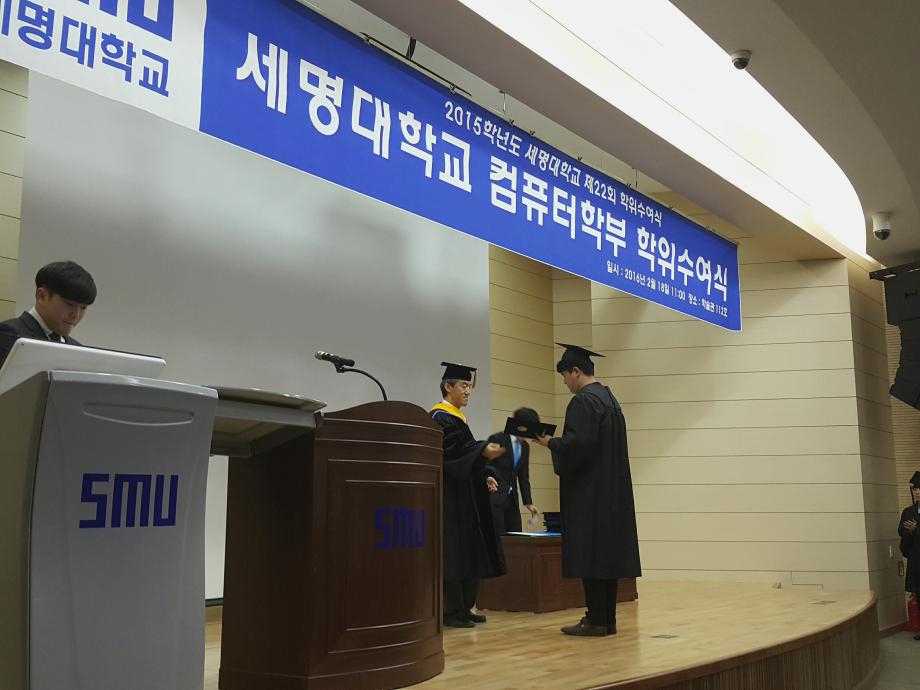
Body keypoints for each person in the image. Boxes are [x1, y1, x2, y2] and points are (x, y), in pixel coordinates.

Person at [535, 343, 641, 637]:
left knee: (591, 555)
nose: (565, 383)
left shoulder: (583, 402)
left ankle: (595, 620)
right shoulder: (610, 400)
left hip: (590, 494)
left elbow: (577, 446)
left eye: (565, 376)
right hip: (613, 493)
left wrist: (550, 443)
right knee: (606, 557)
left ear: (576, 371)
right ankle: (607, 620)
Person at [431, 361, 506, 628]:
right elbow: (452, 453)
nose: (468, 391)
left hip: (465, 495)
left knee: (468, 548)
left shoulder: (457, 418)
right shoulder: (440, 417)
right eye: (463, 385)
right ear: (447, 387)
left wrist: (484, 473)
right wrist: (482, 450)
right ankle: (451, 611)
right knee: (454, 550)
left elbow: (465, 453)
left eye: (469, 386)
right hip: (450, 498)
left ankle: (464, 607)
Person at [0, 260, 97, 368]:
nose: (76, 315)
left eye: (83, 308)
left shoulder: (78, 349)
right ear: (42, 296)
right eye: (70, 304)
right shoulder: (9, 335)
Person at [487, 407, 540, 534]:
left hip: (513, 500)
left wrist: (528, 503)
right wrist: (488, 477)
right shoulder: (497, 439)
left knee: (516, 536)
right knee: (498, 536)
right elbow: (486, 464)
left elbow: (524, 476)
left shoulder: (525, 447)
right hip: (495, 497)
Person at [899, 471, 920, 640]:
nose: (917, 492)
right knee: (919, 594)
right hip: (917, 560)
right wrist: (911, 532)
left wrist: (917, 529)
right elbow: (901, 531)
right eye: (915, 490)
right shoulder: (908, 512)